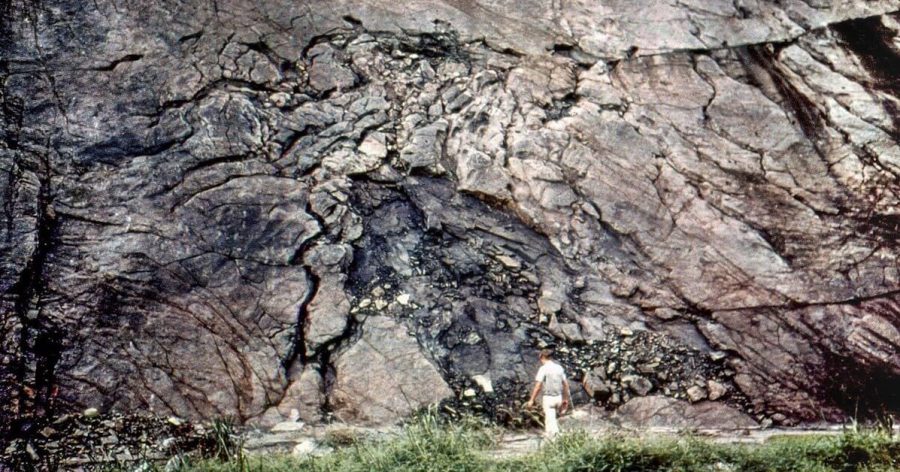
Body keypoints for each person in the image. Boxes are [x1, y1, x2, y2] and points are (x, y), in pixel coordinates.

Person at [525, 348, 571, 439]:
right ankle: (559, 438)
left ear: (542, 356)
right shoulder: (559, 368)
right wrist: (565, 399)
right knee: (554, 420)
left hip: (548, 398)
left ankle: (555, 442)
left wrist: (531, 400)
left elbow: (538, 386)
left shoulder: (543, 369)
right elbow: (566, 385)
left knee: (550, 422)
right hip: (559, 397)